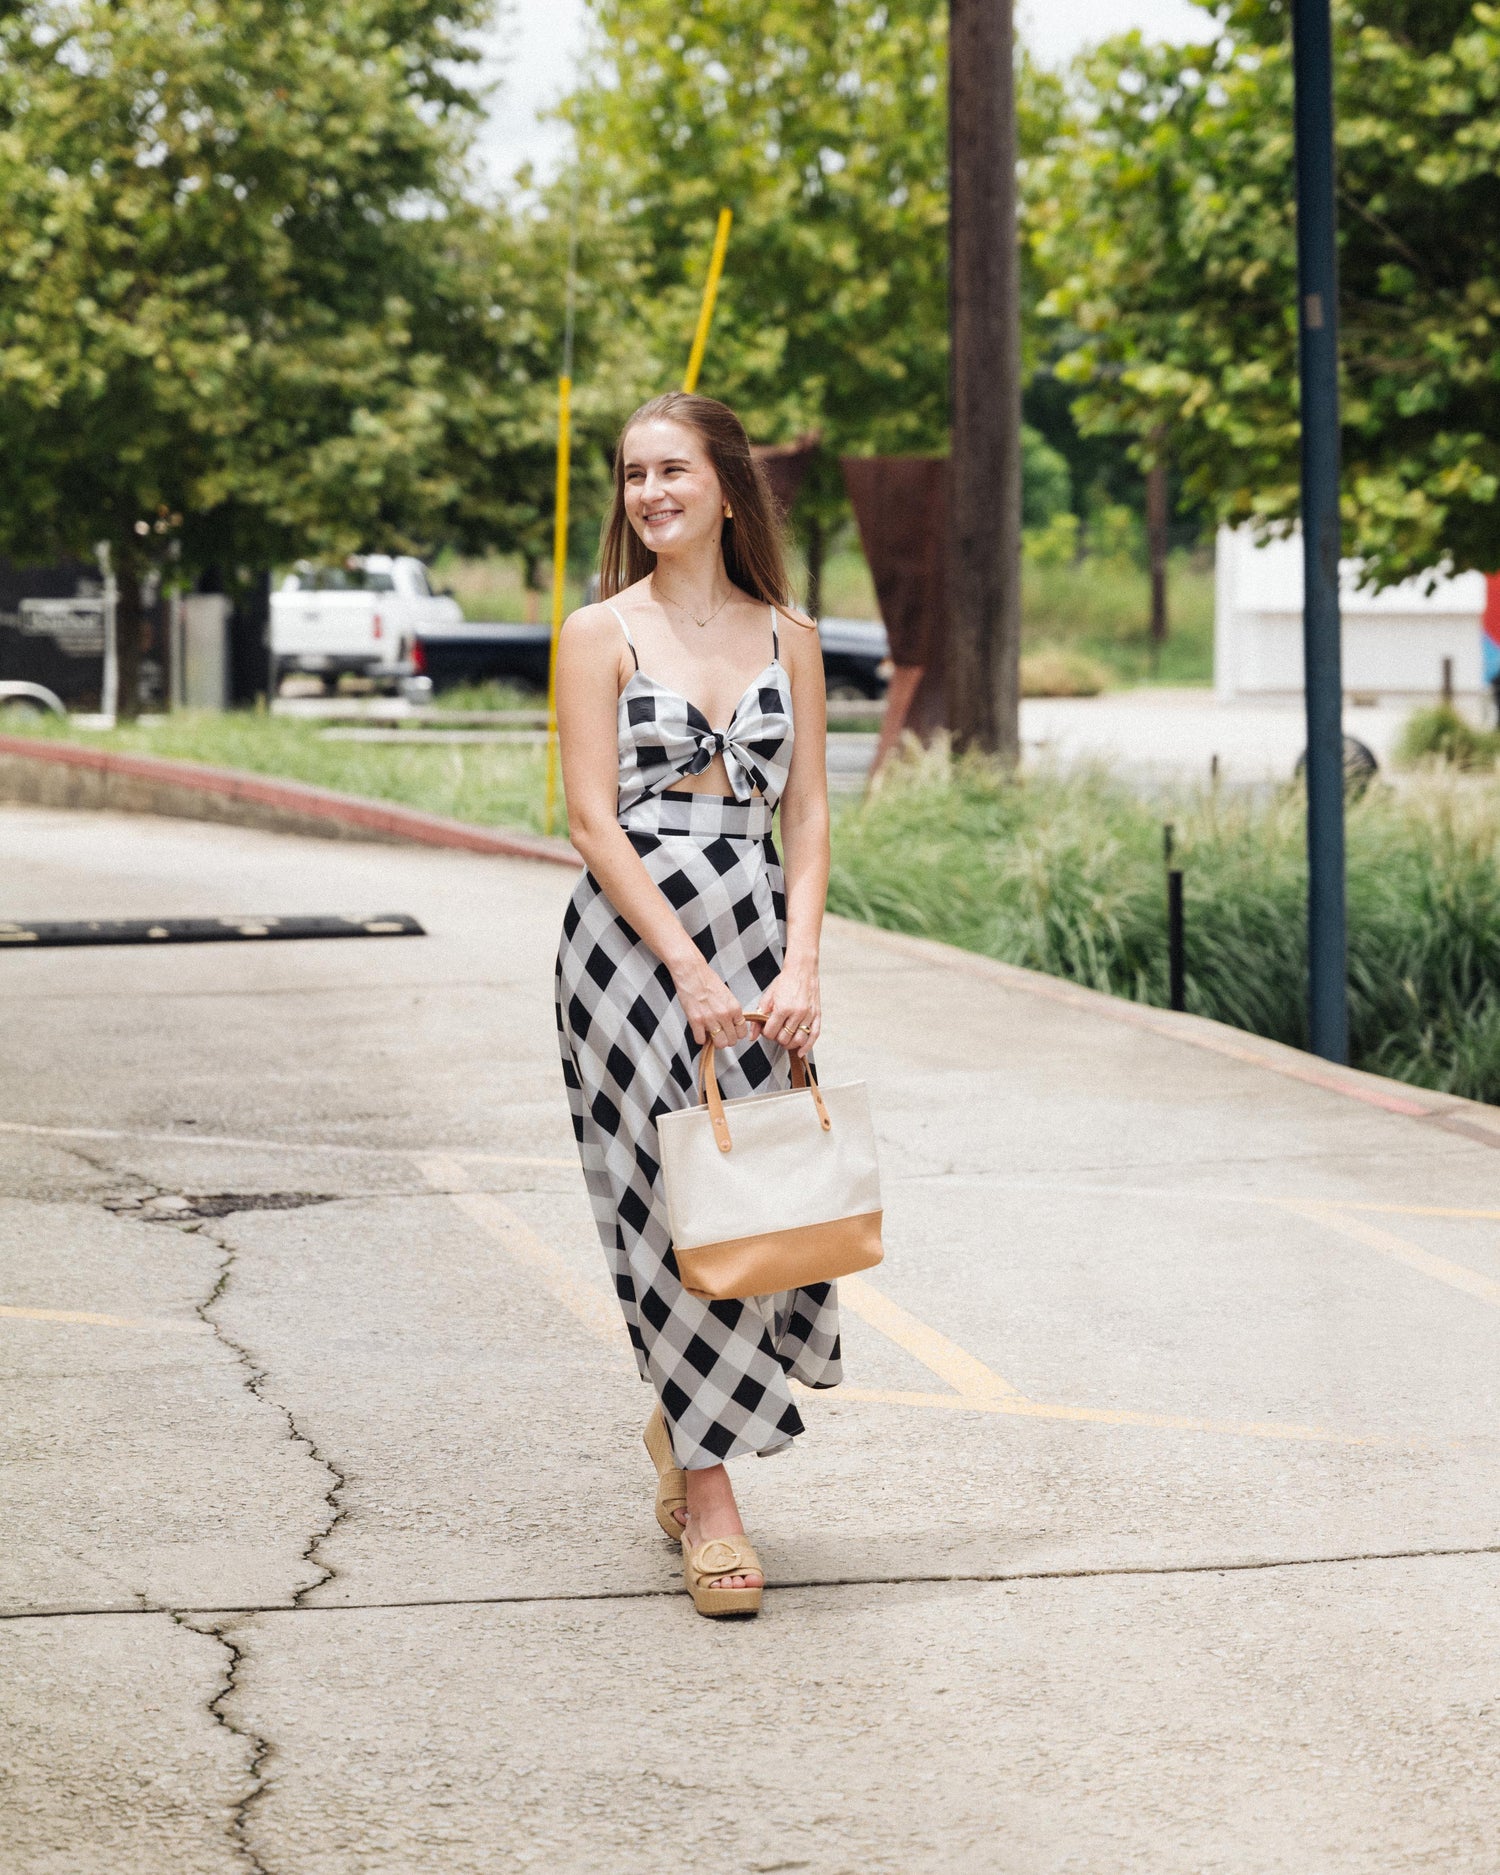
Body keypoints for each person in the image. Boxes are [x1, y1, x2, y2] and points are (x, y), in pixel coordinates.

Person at [553, 392, 840, 1618]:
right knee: (670, 1216)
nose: (650, 493)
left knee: (756, 1212)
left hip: (760, 940)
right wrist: (688, 967)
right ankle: (714, 1503)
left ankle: (682, 1433)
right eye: (633, 475)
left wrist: (802, 964)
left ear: (728, 484)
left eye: (672, 469)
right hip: (630, 956)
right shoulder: (595, 630)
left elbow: (811, 814)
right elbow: (587, 818)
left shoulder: (792, 636)